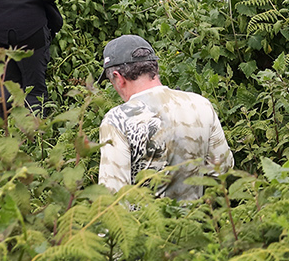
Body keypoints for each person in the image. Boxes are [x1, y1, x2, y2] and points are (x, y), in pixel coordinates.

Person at [96, 34, 234, 199]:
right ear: (155, 68)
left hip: (144, 223)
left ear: (118, 78)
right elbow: (223, 169)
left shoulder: (117, 120)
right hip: (195, 221)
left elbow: (113, 195)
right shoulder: (200, 105)